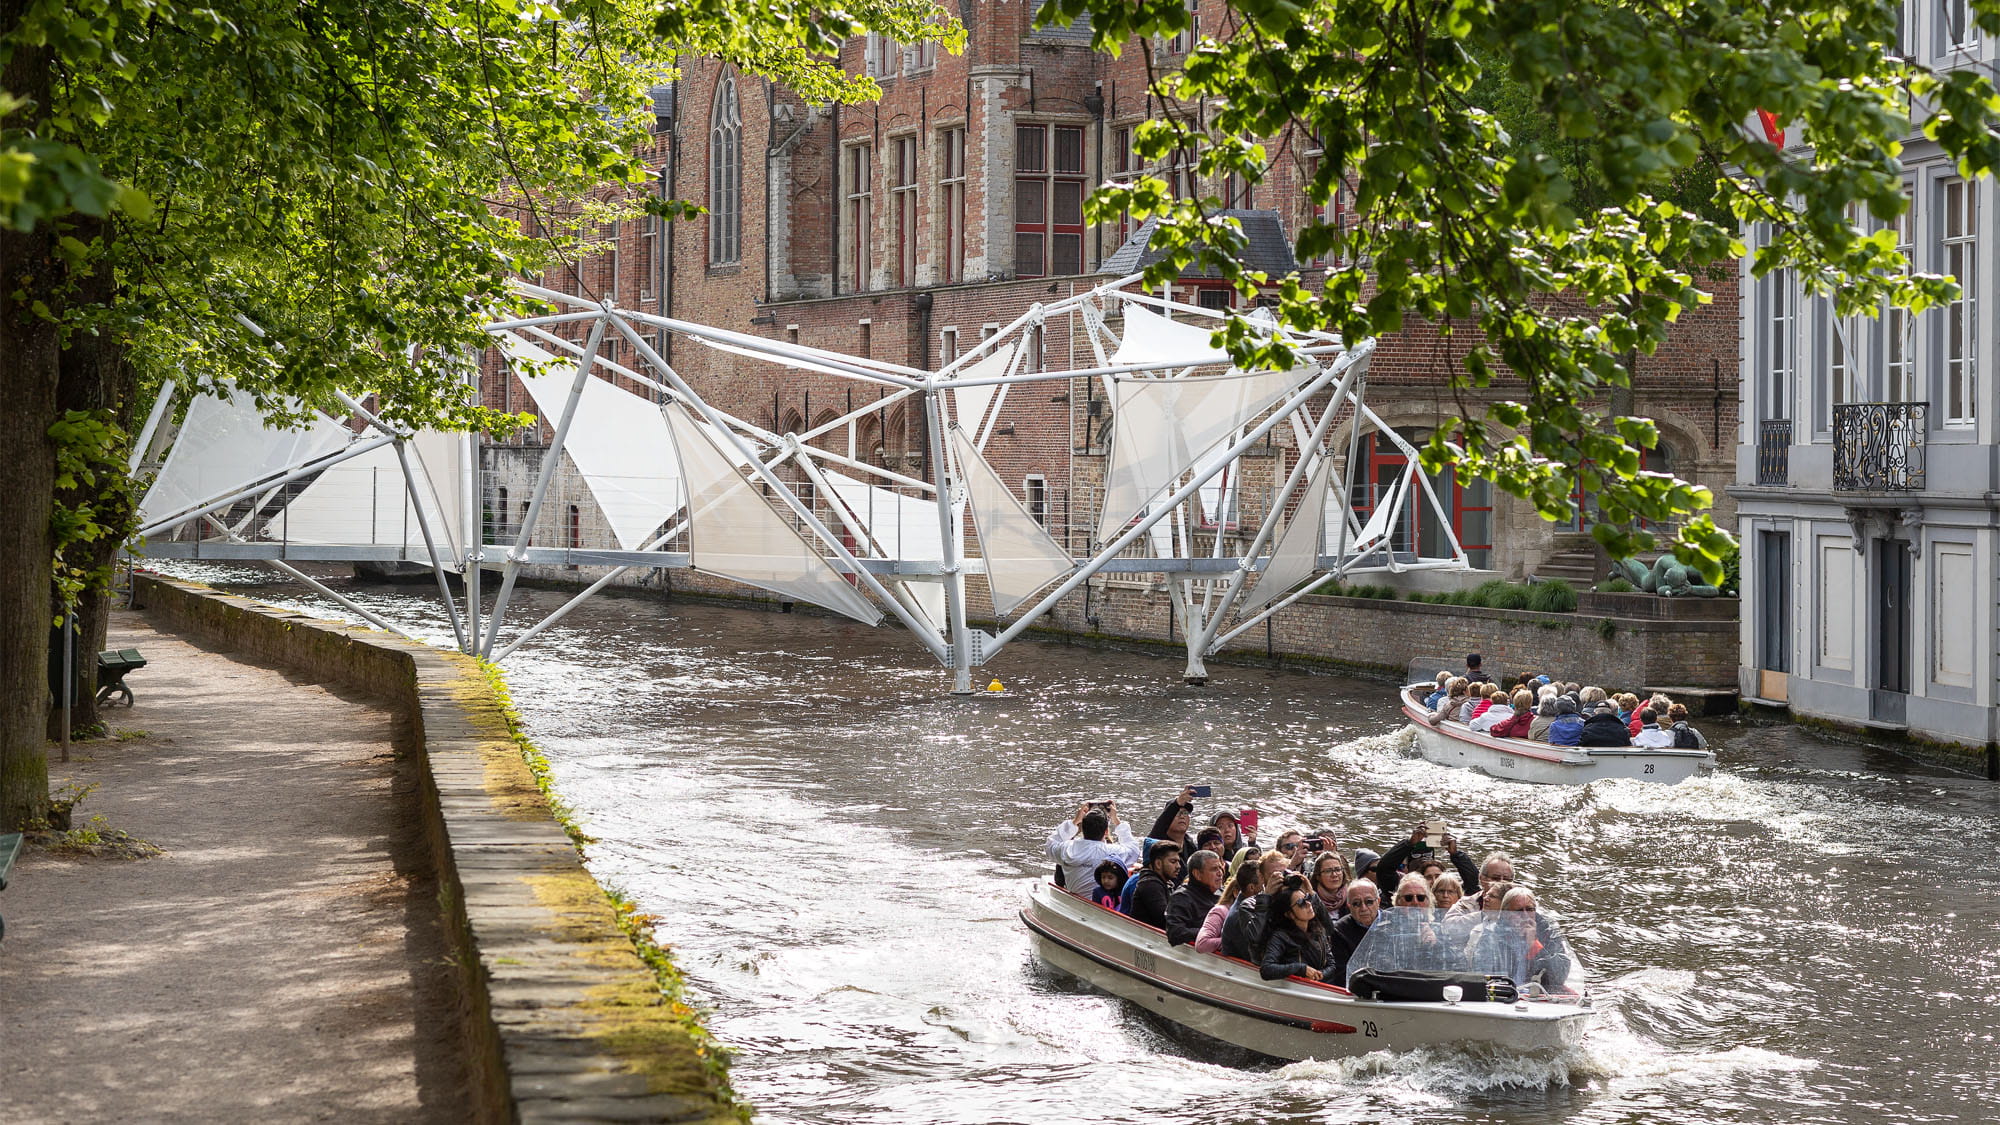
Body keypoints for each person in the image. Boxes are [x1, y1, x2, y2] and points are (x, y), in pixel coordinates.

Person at [1470, 887, 1572, 988]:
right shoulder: (1491, 935)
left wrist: (1534, 945)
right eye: (1519, 911)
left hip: (1539, 993)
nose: (1525, 915)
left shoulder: (1548, 933)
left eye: (1530, 910)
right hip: (1504, 993)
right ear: (1506, 914)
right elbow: (1481, 975)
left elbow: (1559, 977)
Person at [1045, 803, 1142, 894]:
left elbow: (1050, 845)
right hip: (1100, 902)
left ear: (1082, 829)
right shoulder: (1112, 852)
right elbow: (1134, 850)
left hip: (1075, 898)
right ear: (1106, 832)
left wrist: (1074, 822)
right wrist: (1116, 820)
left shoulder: (1067, 848)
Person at [1260, 877, 1333, 982]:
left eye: (1307, 898)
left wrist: (1318, 975)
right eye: (1301, 903)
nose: (1308, 904)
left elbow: (1331, 965)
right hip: (1293, 988)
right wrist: (1301, 969)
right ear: (1289, 914)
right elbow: (1266, 969)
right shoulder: (1280, 937)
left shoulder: (1318, 931)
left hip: (1317, 987)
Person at [1220, 851, 1290, 960]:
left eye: (1283, 873)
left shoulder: (1279, 901)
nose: (1280, 878)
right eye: (1274, 875)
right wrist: (1266, 896)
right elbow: (1256, 951)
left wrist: (1309, 892)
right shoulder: (1243, 909)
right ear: (1261, 878)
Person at [1197, 854, 1266, 954]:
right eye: (1263, 886)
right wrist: (1228, 940)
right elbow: (1202, 944)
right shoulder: (1224, 912)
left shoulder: (1254, 908)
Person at [1166, 849, 1223, 946]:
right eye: (1214, 869)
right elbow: (1175, 933)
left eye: (1220, 868)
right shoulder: (1182, 898)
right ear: (1197, 874)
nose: (1220, 873)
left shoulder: (1222, 892)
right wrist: (1210, 932)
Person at [1328, 879, 1380, 983]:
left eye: (1369, 902)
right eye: (1356, 903)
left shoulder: (1394, 922)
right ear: (1349, 906)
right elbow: (1342, 975)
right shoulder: (1339, 931)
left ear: (1378, 901)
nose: (1363, 908)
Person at [1127, 840, 1184, 929]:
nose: (1178, 866)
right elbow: (1166, 920)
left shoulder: (1165, 883)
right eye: (1173, 862)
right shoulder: (1150, 885)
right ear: (1158, 864)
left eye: (1178, 862)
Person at [1146, 788, 1201, 861]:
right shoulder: (1157, 841)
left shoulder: (1190, 845)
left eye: (1185, 813)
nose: (1182, 816)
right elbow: (1160, 825)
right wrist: (1177, 803)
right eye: (1177, 813)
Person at [1308, 849, 1351, 918]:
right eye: (1328, 871)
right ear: (1318, 876)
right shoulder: (1310, 901)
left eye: (1338, 870)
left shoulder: (1351, 897)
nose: (1334, 875)